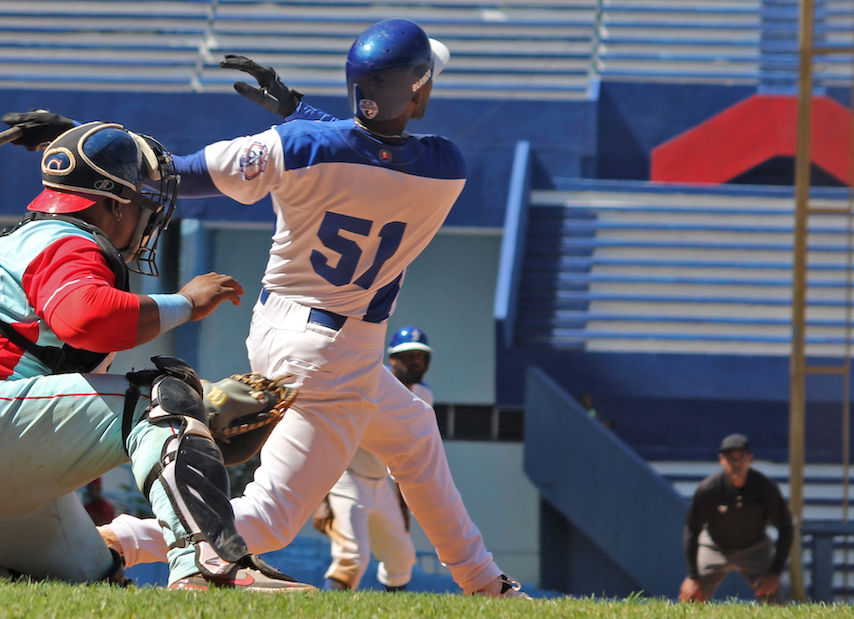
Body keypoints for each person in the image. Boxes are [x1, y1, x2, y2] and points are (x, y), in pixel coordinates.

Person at [54, 18, 528, 597]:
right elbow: (374, 146)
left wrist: (84, 146)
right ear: (417, 88)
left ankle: (483, 581)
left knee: (414, 430)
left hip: (283, 326)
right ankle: (120, 538)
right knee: (271, 518)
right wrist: (298, 107)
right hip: (337, 351)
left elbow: (176, 174)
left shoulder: (297, 148)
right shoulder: (444, 167)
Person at [0, 122, 312, 592]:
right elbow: (85, 318)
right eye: (140, 198)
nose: (148, 211)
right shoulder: (67, 238)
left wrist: (197, 430)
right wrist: (185, 304)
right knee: (164, 393)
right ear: (112, 203)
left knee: (92, 578)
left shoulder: (30, 240)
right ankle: (211, 563)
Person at [312, 326, 433, 591]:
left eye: (421, 356)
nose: (416, 361)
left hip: (381, 482)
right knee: (352, 558)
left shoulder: (423, 396)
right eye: (408, 355)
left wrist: (403, 508)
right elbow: (327, 436)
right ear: (391, 358)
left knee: (402, 558)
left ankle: (392, 611)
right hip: (347, 477)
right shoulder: (368, 386)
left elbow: (408, 454)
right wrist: (321, 499)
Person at [679, 433, 792, 603]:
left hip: (755, 548)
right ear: (722, 460)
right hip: (715, 547)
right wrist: (693, 577)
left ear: (750, 459)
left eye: (742, 457)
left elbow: (786, 527)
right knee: (691, 596)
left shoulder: (765, 487)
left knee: (773, 597)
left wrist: (775, 573)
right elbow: (692, 529)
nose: (737, 463)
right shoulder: (709, 489)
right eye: (731, 458)